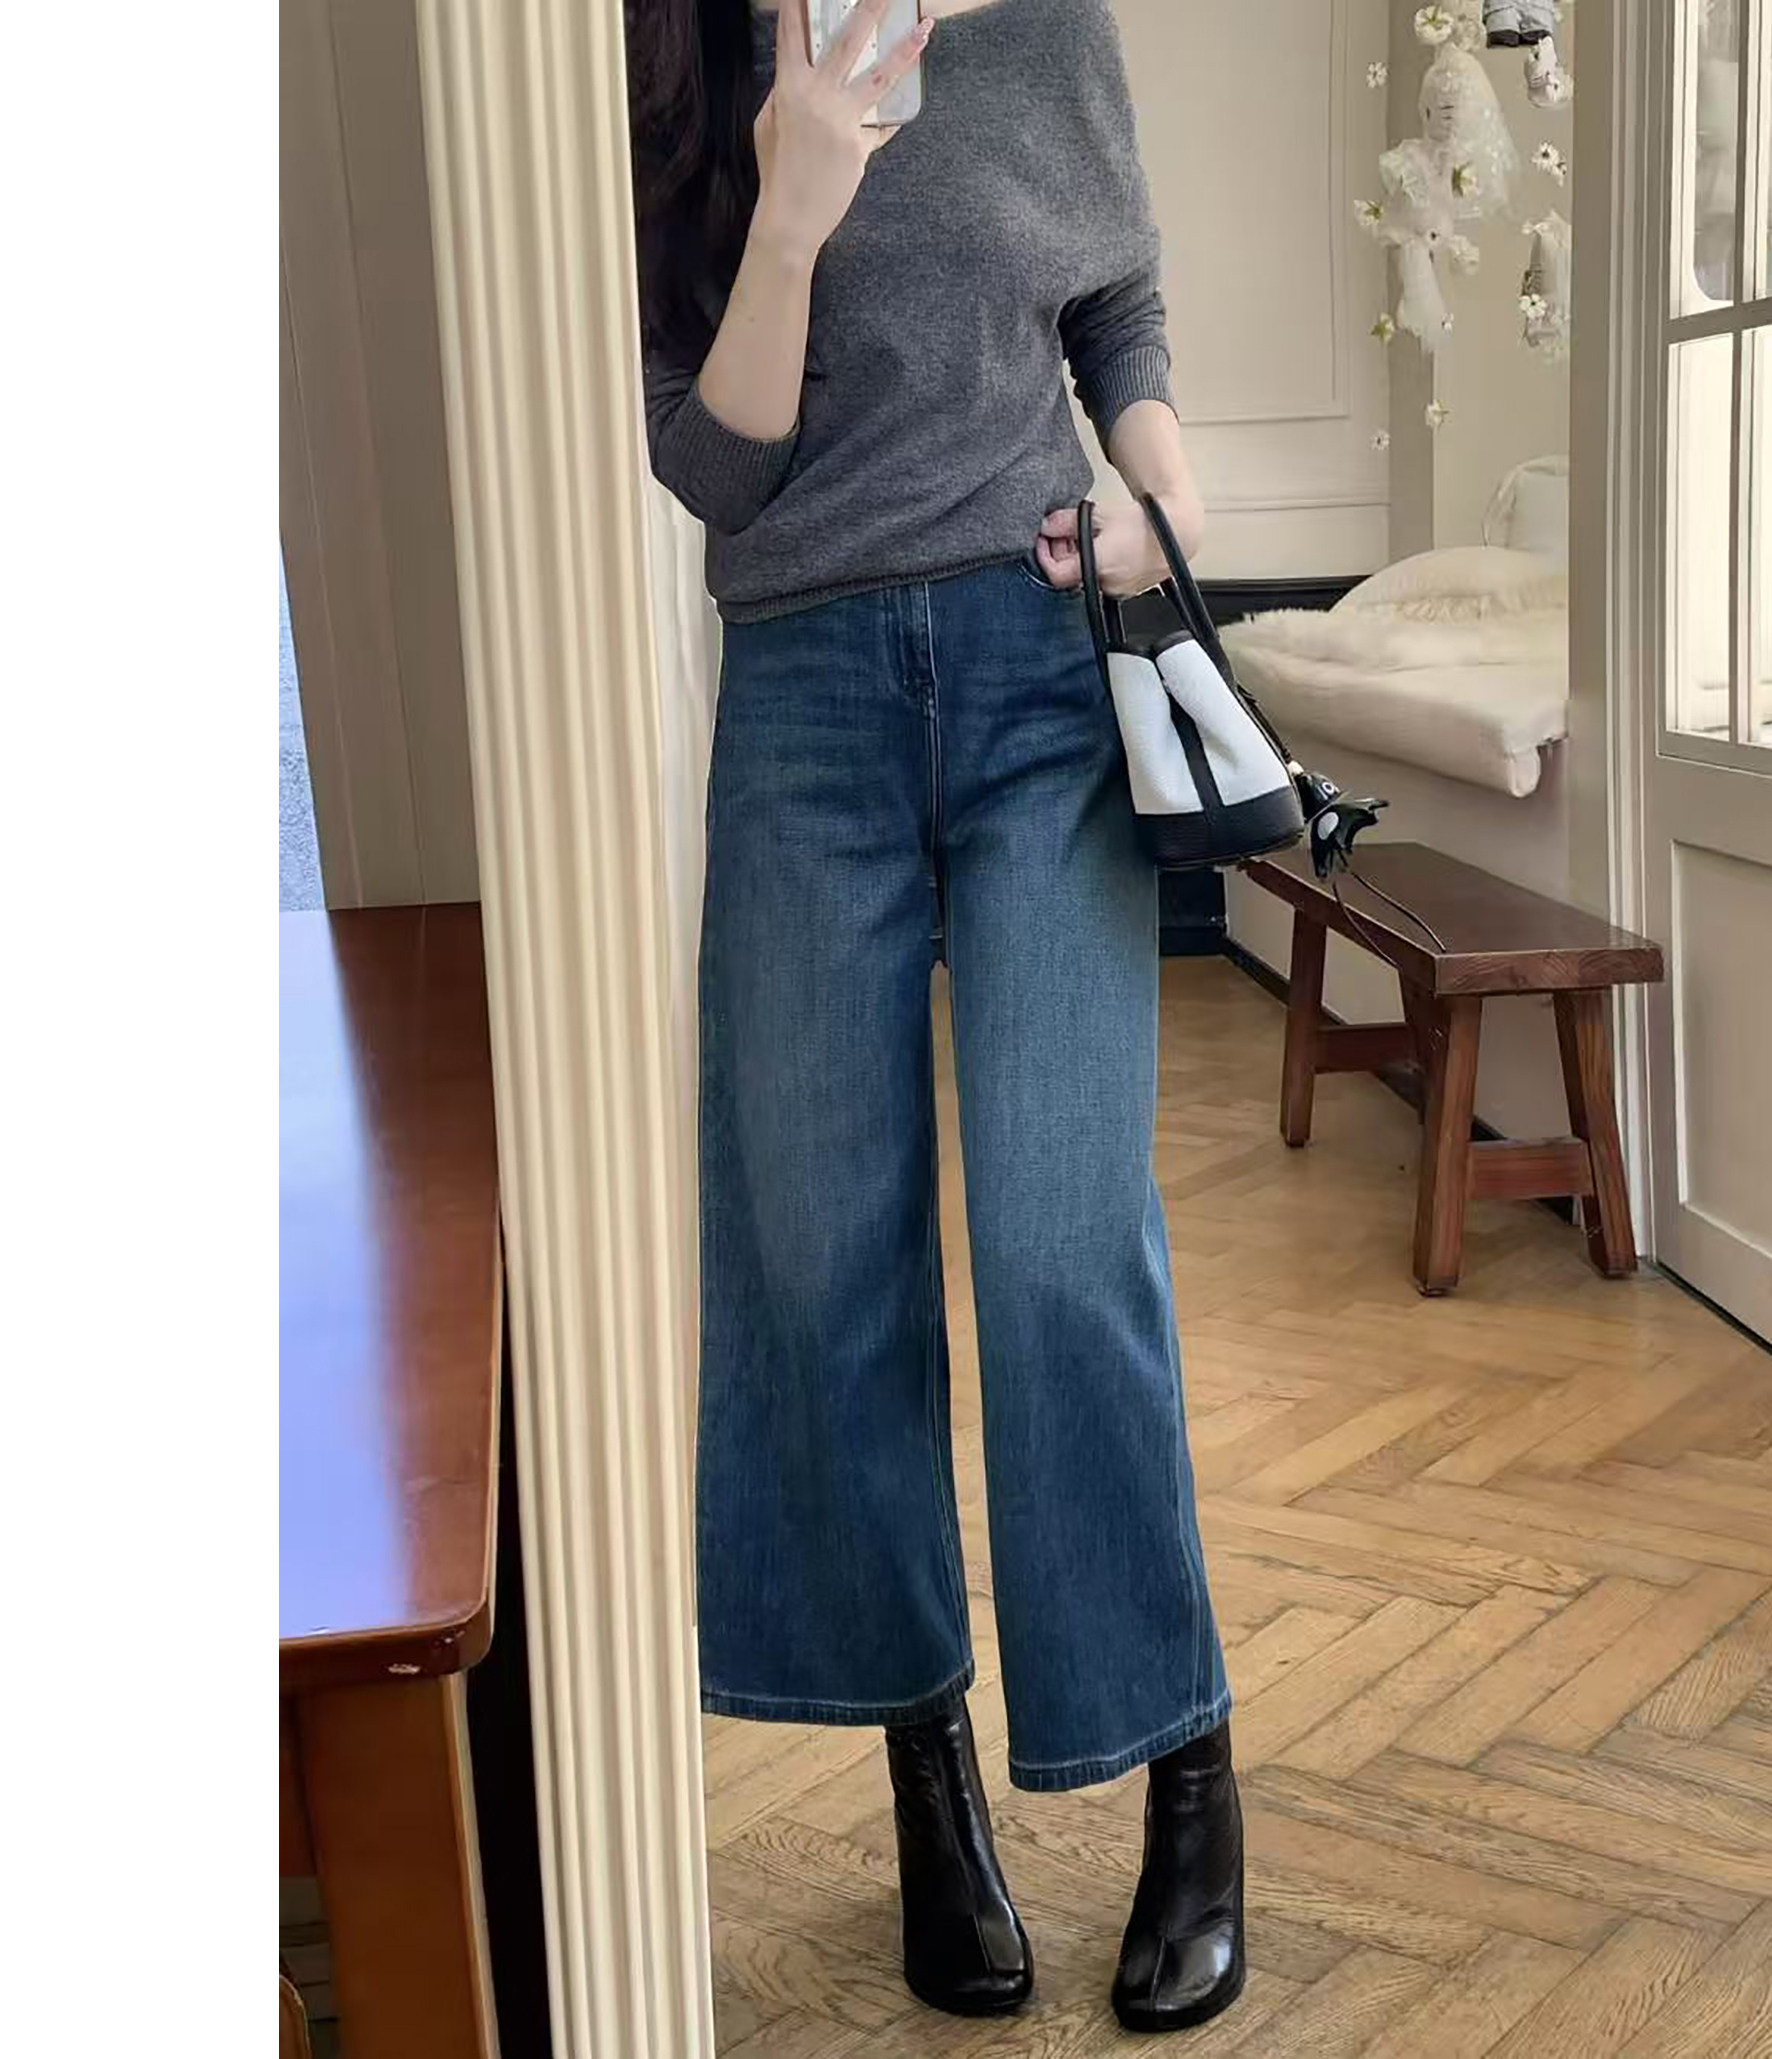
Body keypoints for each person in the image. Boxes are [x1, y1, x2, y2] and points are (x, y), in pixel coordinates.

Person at [627, 0, 1243, 2030]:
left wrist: (1166, 501)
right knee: (820, 1259)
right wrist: (794, 210)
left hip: (1036, 666)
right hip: (804, 703)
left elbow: (1117, 307)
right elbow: (714, 467)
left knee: (1066, 1244)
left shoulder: (1045, 29)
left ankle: (1183, 1763)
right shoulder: (686, 49)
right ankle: (928, 1775)